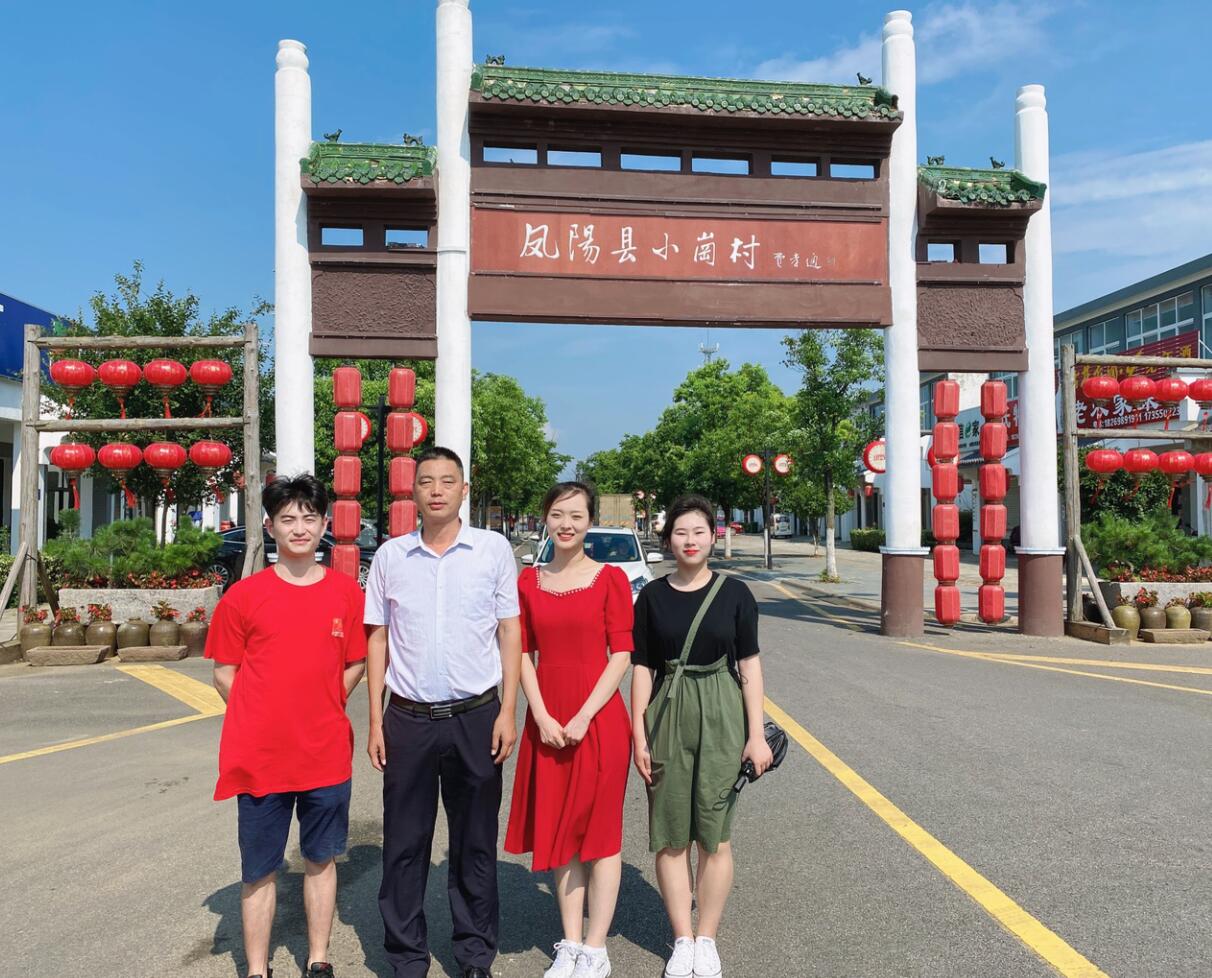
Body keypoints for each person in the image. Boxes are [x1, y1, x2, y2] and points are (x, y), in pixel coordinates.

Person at [365, 447, 523, 978]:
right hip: (407, 719)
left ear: (464, 490)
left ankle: (475, 954)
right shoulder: (391, 557)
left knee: (475, 843)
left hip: (476, 717)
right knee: (404, 844)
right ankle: (406, 956)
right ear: (413, 491)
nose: (436, 490)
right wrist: (375, 720)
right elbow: (377, 638)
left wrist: (508, 710)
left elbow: (510, 631)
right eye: (426, 481)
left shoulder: (492, 550)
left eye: (447, 481)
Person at [206, 473, 368, 978]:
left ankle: (319, 958)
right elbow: (224, 672)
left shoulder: (346, 593)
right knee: (259, 869)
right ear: (270, 526)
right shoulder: (243, 596)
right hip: (260, 758)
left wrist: (324, 702)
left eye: (309, 518)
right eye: (287, 519)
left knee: (321, 859)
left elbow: (356, 662)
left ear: (324, 524)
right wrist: (260, 713)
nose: (299, 528)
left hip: (325, 753)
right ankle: (258, 969)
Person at [631, 495, 773, 978]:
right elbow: (642, 668)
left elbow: (749, 664)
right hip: (668, 711)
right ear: (667, 539)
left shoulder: (736, 594)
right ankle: (682, 938)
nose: (690, 541)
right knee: (671, 834)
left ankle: (707, 937)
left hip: (721, 712)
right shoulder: (651, 597)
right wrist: (638, 733)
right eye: (680, 532)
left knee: (715, 835)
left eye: (698, 532)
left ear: (714, 536)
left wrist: (756, 734)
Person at [505, 482, 634, 978]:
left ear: (590, 521)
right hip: (548, 718)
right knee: (560, 832)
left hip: (599, 719)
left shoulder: (610, 579)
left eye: (577, 516)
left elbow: (621, 654)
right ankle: (571, 942)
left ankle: (596, 948)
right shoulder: (528, 582)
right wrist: (539, 714)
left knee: (600, 834)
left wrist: (583, 715)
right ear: (545, 518)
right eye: (558, 514)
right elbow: (521, 652)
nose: (566, 524)